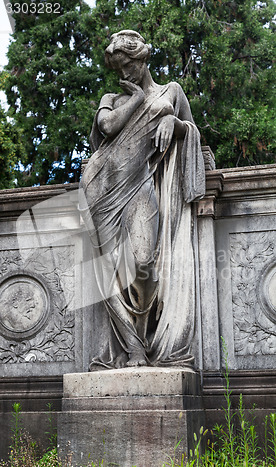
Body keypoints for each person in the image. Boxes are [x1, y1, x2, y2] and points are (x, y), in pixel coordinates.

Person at [79, 30, 205, 370]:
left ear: (142, 60)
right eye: (117, 68)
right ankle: (134, 350)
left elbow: (192, 134)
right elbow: (106, 128)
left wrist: (172, 121)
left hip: (141, 188)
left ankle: (145, 338)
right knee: (109, 277)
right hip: (101, 190)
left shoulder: (172, 92)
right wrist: (136, 99)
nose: (122, 75)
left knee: (143, 262)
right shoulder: (113, 98)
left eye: (127, 67)